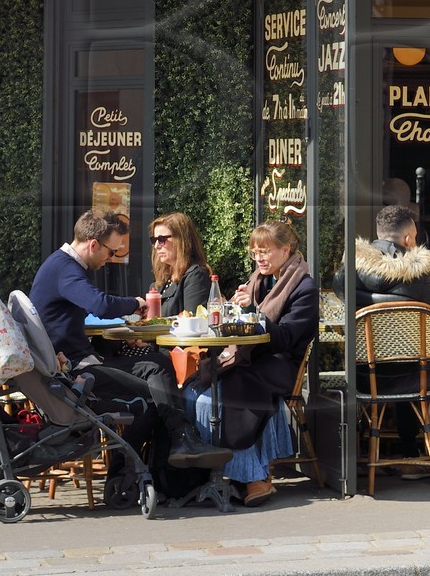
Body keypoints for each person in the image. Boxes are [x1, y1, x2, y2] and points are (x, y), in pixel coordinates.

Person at [29, 209, 231, 479]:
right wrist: (136, 303)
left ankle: (132, 471)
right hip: (75, 374)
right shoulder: (66, 269)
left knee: (157, 377)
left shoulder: (59, 265)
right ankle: (172, 447)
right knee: (155, 381)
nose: (110, 259)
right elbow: (99, 304)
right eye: (111, 252)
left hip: (74, 367)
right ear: (93, 244)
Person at [185, 220, 319, 507]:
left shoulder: (304, 287)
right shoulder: (260, 278)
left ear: (286, 249)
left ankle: (252, 477)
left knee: (231, 392)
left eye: (265, 251)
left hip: (280, 364)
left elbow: (285, 338)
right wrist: (233, 308)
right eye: (255, 252)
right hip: (252, 358)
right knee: (196, 387)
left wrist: (251, 313)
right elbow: (248, 323)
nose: (259, 258)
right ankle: (211, 473)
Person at [333, 203, 430, 474]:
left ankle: (391, 452)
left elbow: (339, 296)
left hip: (364, 375)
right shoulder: (419, 275)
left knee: (398, 366)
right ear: (409, 239)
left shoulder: (349, 268)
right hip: (415, 376)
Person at [150, 211, 212, 316]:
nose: (156, 246)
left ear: (181, 240)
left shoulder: (196, 275)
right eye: (154, 240)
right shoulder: (163, 278)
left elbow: (193, 321)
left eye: (161, 239)